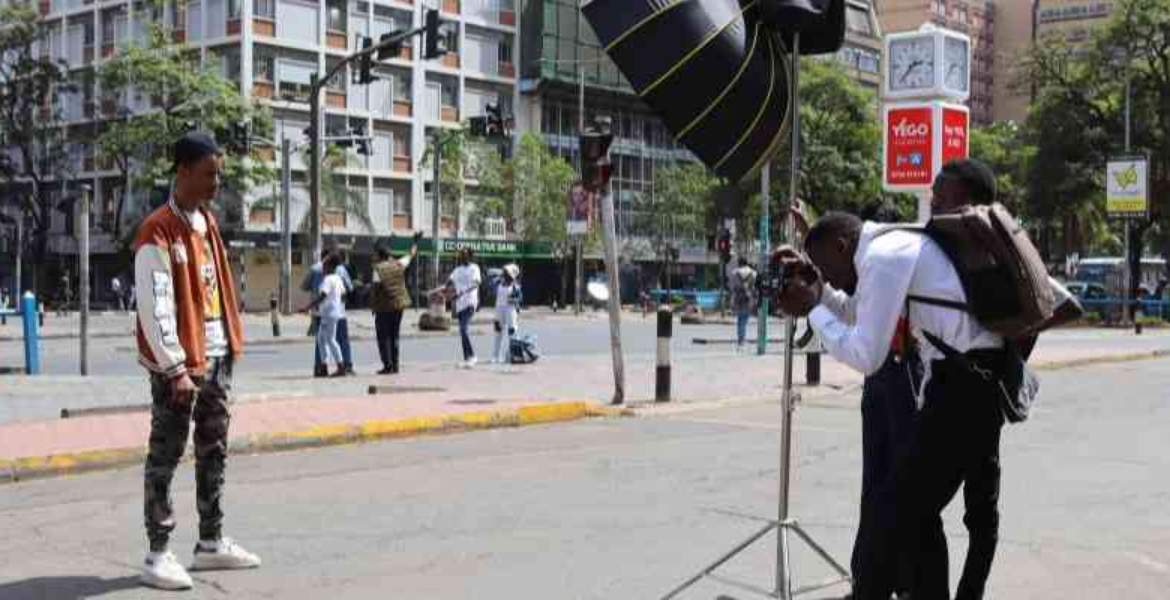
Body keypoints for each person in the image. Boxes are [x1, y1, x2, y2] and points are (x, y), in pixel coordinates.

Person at [133, 131, 260, 590]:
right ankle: (157, 551)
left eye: (218, 174)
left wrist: (228, 344)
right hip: (181, 367)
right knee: (165, 453)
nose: (216, 183)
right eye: (209, 174)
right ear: (182, 171)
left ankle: (210, 542)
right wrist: (174, 367)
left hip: (217, 355)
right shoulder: (157, 229)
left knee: (214, 448)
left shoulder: (206, 222)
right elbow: (155, 305)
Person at [302, 246, 355, 376]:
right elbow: (346, 291)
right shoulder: (339, 274)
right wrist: (338, 302)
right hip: (337, 313)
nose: (322, 268)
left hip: (327, 313)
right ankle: (329, 366)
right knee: (328, 339)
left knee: (330, 340)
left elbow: (321, 295)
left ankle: (338, 366)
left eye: (324, 266)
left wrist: (308, 307)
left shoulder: (325, 277)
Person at [370, 235, 419, 374]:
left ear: (380, 255)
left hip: (384, 307)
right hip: (399, 305)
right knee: (395, 335)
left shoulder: (377, 269)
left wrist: (373, 306)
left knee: (384, 336)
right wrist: (415, 241)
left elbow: (374, 290)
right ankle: (395, 366)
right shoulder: (399, 264)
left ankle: (388, 366)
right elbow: (411, 254)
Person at [447, 248, 482, 368]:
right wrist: (442, 291)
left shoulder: (474, 268)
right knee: (462, 332)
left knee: (463, 330)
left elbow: (476, 283)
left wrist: (462, 292)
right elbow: (449, 282)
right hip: (460, 304)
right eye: (461, 255)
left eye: (465, 255)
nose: (462, 257)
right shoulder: (457, 270)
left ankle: (472, 356)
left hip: (470, 302)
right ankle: (467, 359)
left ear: (470, 256)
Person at [491, 264, 522, 364]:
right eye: (504, 271)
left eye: (506, 272)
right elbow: (491, 288)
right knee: (498, 332)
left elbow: (520, 299)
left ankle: (512, 355)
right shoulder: (499, 282)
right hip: (499, 309)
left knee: (512, 332)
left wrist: (513, 300)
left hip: (510, 310)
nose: (504, 273)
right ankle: (495, 356)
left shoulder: (515, 286)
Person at [729, 257, 757, 351]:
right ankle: (742, 340)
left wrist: (732, 299)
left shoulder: (734, 273)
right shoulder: (753, 273)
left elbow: (731, 287)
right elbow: (755, 287)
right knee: (744, 319)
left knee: (740, 319)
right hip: (748, 299)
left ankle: (741, 339)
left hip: (738, 298)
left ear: (739, 263)